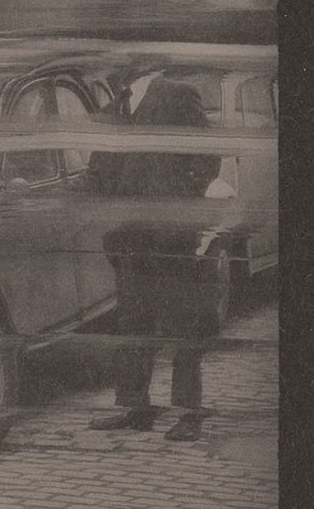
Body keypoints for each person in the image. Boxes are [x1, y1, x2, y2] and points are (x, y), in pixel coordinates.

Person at [86, 75, 223, 442]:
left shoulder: (178, 93)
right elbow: (98, 170)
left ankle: (188, 413)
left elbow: (209, 157)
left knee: (183, 323)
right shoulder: (111, 110)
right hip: (127, 239)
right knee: (132, 324)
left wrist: (181, 201)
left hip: (171, 236)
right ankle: (134, 408)